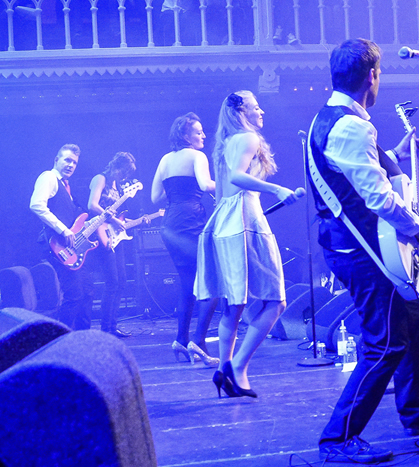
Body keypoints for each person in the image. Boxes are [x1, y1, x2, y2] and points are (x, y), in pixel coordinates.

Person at [308, 38, 419, 465]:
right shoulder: (353, 125)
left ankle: (415, 410)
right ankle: (338, 437)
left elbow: (356, 171)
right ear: (372, 75)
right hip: (364, 251)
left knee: (413, 317)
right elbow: (377, 198)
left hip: (346, 245)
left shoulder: (331, 119)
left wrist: (397, 153)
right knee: (384, 342)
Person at [195, 90, 298, 399]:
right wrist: (277, 189)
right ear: (242, 111)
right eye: (256, 106)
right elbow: (239, 178)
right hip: (244, 220)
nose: (261, 111)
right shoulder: (246, 138)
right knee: (276, 301)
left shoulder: (226, 143)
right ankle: (238, 367)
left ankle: (224, 367)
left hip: (225, 221)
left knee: (234, 304)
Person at [152, 113, 219, 365]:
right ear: (185, 135)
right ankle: (198, 342)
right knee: (211, 282)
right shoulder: (197, 156)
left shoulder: (165, 160)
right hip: (191, 222)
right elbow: (205, 185)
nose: (203, 135)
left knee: (187, 283)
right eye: (198, 132)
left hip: (170, 224)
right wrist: (230, 181)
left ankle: (181, 339)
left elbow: (155, 197)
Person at [30, 144, 92, 330]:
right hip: (56, 244)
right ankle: (57, 340)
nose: (71, 165)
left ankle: (84, 340)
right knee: (74, 295)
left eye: (74, 162)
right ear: (56, 160)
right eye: (67, 160)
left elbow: (75, 220)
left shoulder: (67, 187)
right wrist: (63, 229)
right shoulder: (48, 177)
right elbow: (36, 205)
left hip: (71, 247)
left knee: (87, 292)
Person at [87, 152, 137, 338]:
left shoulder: (118, 186)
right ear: (115, 167)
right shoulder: (101, 179)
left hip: (114, 235)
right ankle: (105, 329)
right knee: (112, 281)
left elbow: (118, 218)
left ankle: (112, 326)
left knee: (121, 280)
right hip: (99, 233)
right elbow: (92, 205)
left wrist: (138, 220)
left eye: (126, 175)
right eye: (122, 172)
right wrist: (114, 219)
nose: (124, 177)